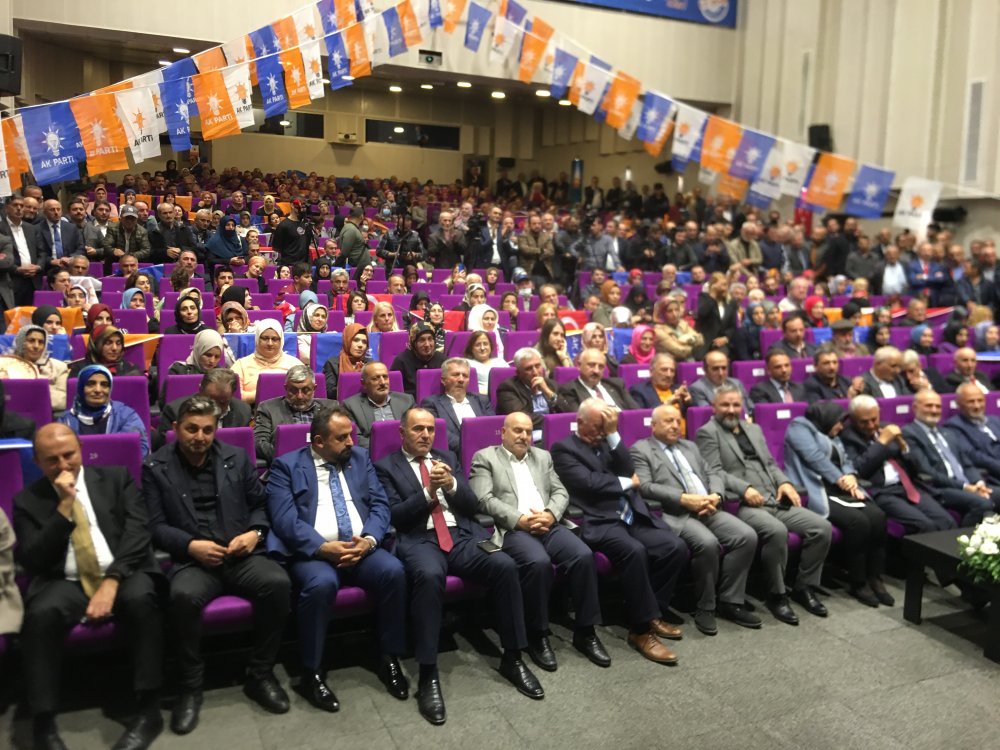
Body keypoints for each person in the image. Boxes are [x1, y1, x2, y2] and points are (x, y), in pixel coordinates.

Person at [375, 408, 542, 725]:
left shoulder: (446, 456)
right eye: (418, 429)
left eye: (430, 429)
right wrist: (429, 493)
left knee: (505, 566)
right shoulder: (386, 467)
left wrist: (452, 484)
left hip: (462, 536)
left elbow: (472, 504)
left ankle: (513, 656)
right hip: (420, 539)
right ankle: (428, 673)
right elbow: (394, 516)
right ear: (402, 433)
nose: (426, 435)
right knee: (429, 575)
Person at [143, 396, 292, 734]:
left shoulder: (236, 458)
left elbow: (260, 504)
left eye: (207, 430)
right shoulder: (155, 466)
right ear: (177, 428)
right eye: (192, 429)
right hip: (194, 559)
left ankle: (260, 673)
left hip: (240, 554)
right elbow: (154, 524)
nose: (200, 437)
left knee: (279, 584)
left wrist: (255, 533)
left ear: (215, 430)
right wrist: (189, 546)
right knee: (182, 597)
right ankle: (190, 686)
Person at [14, 424, 165, 750]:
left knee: (142, 598)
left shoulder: (115, 478)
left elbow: (138, 532)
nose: (63, 465)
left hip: (121, 570)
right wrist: (64, 507)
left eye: (68, 454)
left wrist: (112, 580)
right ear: (37, 461)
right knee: (40, 614)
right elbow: (35, 558)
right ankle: (43, 721)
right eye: (51, 459)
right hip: (65, 580)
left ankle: (149, 708)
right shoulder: (27, 500)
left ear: (81, 449)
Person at [266, 405, 409, 711]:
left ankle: (389, 657)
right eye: (342, 437)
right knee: (321, 585)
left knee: (393, 572)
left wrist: (368, 540)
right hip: (314, 554)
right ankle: (311, 672)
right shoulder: (286, 466)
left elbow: (380, 505)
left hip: (361, 547)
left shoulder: (359, 458)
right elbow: (284, 520)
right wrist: (322, 547)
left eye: (351, 435)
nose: (350, 442)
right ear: (318, 441)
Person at [470, 412, 610, 669]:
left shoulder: (542, 456)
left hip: (548, 524)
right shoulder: (485, 457)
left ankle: (586, 631)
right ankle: (537, 634)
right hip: (514, 529)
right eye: (518, 431)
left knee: (583, 556)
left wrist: (550, 514)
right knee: (538, 563)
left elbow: (560, 491)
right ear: (503, 432)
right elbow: (483, 499)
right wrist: (520, 519)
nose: (524, 436)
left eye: (528, 432)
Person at [551, 399, 687, 663]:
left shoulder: (608, 440)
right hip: (599, 521)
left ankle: (652, 612)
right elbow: (589, 483)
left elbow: (629, 469)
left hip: (631, 515)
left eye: (607, 426)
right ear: (580, 423)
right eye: (598, 425)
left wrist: (613, 435)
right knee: (634, 551)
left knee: (674, 547)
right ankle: (640, 631)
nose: (602, 431)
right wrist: (625, 482)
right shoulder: (563, 449)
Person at [696, 384, 833, 625]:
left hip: (773, 497)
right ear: (714, 407)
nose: (731, 409)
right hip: (742, 504)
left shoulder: (754, 428)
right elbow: (714, 471)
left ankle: (804, 587)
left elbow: (770, 464)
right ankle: (777, 595)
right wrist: (745, 489)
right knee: (776, 531)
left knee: (821, 528)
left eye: (735, 404)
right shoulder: (707, 432)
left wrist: (785, 483)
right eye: (725, 405)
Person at [632, 405, 761, 635]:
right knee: (707, 543)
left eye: (678, 421)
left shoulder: (690, 446)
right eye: (668, 421)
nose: (675, 426)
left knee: (746, 536)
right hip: (675, 513)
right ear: (654, 425)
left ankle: (730, 601)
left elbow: (712, 473)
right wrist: (684, 499)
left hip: (708, 507)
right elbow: (645, 486)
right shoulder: (640, 450)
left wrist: (716, 495)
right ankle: (706, 606)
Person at [784, 403, 893, 607]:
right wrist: (841, 479)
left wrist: (850, 475)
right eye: (839, 422)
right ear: (827, 418)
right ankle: (858, 582)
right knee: (858, 522)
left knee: (878, 517)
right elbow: (814, 457)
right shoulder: (799, 427)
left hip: (839, 487)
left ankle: (875, 577)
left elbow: (846, 460)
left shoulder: (830, 433)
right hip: (816, 489)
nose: (841, 427)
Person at [840, 394, 957, 533]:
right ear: (853, 419)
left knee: (947, 521)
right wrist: (881, 443)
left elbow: (916, 467)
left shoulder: (887, 428)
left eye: (874, 419)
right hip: (882, 491)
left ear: (879, 414)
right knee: (925, 526)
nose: (871, 425)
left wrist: (904, 447)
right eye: (864, 422)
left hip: (908, 487)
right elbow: (858, 469)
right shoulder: (847, 437)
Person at [902, 389, 999, 526]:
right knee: (982, 503)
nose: (934, 410)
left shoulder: (947, 432)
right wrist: (965, 487)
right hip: (939, 488)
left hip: (967, 485)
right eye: (929, 406)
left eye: (938, 406)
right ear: (915, 407)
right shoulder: (909, 433)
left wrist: (979, 483)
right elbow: (927, 471)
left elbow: (966, 464)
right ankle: (966, 538)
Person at [59, 364, 150, 455]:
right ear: (81, 387)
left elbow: (139, 449)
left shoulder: (126, 415)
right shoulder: (65, 421)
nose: (98, 390)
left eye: (104, 385)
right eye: (91, 384)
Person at [254, 366, 336, 465]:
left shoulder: (331, 407)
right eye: (293, 390)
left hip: (325, 463)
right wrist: (288, 458)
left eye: (306, 390)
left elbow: (343, 439)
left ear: (314, 388)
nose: (299, 396)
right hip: (287, 466)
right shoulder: (268, 408)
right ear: (286, 388)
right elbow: (258, 442)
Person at [155, 369, 251, 451]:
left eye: (222, 402)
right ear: (200, 390)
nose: (216, 407)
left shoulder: (243, 412)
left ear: (232, 395)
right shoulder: (174, 411)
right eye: (210, 400)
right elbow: (165, 450)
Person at [420, 358, 495, 457]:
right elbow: (439, 432)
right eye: (456, 375)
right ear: (443, 380)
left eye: (465, 376)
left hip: (488, 454)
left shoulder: (481, 400)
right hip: (455, 456)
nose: (461, 380)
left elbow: (492, 427)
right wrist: (471, 448)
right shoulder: (431, 403)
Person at [496, 348, 572, 444]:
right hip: (528, 437)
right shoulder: (508, 388)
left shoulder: (551, 385)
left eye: (538, 366)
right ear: (518, 373)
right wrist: (554, 421)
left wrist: (548, 392)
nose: (535, 372)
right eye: (529, 368)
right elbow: (521, 419)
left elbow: (569, 413)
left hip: (556, 433)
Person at [342, 361, 415, 448]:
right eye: (375, 378)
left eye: (385, 377)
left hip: (404, 450)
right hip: (371, 453)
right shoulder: (350, 406)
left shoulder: (407, 401)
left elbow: (416, 429)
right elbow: (356, 437)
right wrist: (379, 449)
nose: (383, 382)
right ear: (364, 383)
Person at [231, 320, 302, 405]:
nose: (270, 343)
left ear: (281, 341)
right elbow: (234, 397)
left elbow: (306, 392)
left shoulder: (295, 365)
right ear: (257, 339)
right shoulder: (241, 365)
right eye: (265, 338)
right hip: (252, 410)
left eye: (275, 339)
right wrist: (264, 393)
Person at [945, 382, 1000, 484]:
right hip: (993, 474)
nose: (977, 406)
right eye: (971, 402)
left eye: (980, 400)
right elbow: (973, 455)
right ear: (959, 404)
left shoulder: (996, 420)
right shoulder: (954, 426)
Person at [5, 324, 68, 411]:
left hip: (47, 415)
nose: (36, 346)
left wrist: (24, 392)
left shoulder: (58, 367)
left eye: (41, 342)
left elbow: (62, 401)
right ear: (20, 342)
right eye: (31, 341)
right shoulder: (5, 364)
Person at [558, 349, 638, 413]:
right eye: (591, 365)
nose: (596, 371)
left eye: (601, 367)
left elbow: (636, 412)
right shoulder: (570, 390)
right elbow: (581, 418)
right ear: (579, 365)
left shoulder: (617, 384)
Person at [688, 350, 753, 416]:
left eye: (724, 368)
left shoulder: (736, 383)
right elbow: (708, 414)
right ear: (705, 369)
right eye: (715, 369)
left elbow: (750, 408)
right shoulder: (697, 388)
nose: (720, 373)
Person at [391, 322, 447, 396]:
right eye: (422, 340)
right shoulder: (401, 361)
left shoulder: (442, 360)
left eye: (430, 339)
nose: (427, 344)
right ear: (413, 343)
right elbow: (395, 394)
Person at [69, 325, 143, 379]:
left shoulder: (131, 370)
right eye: (108, 343)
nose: (114, 348)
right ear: (96, 344)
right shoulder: (80, 370)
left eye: (118, 343)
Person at [322, 322, 370, 400]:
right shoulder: (332, 363)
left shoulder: (370, 364)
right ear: (347, 341)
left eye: (364, 342)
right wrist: (353, 377)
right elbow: (330, 393)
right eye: (356, 340)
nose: (360, 345)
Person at [464, 330, 508, 396]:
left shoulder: (500, 361)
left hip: (504, 396)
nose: (482, 348)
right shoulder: (465, 363)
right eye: (478, 345)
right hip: (479, 398)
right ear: (471, 349)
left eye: (485, 344)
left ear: (490, 346)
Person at [295, 298, 329, 365]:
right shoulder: (300, 339)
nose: (320, 319)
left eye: (323, 316)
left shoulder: (330, 336)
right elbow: (309, 358)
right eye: (316, 315)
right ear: (307, 317)